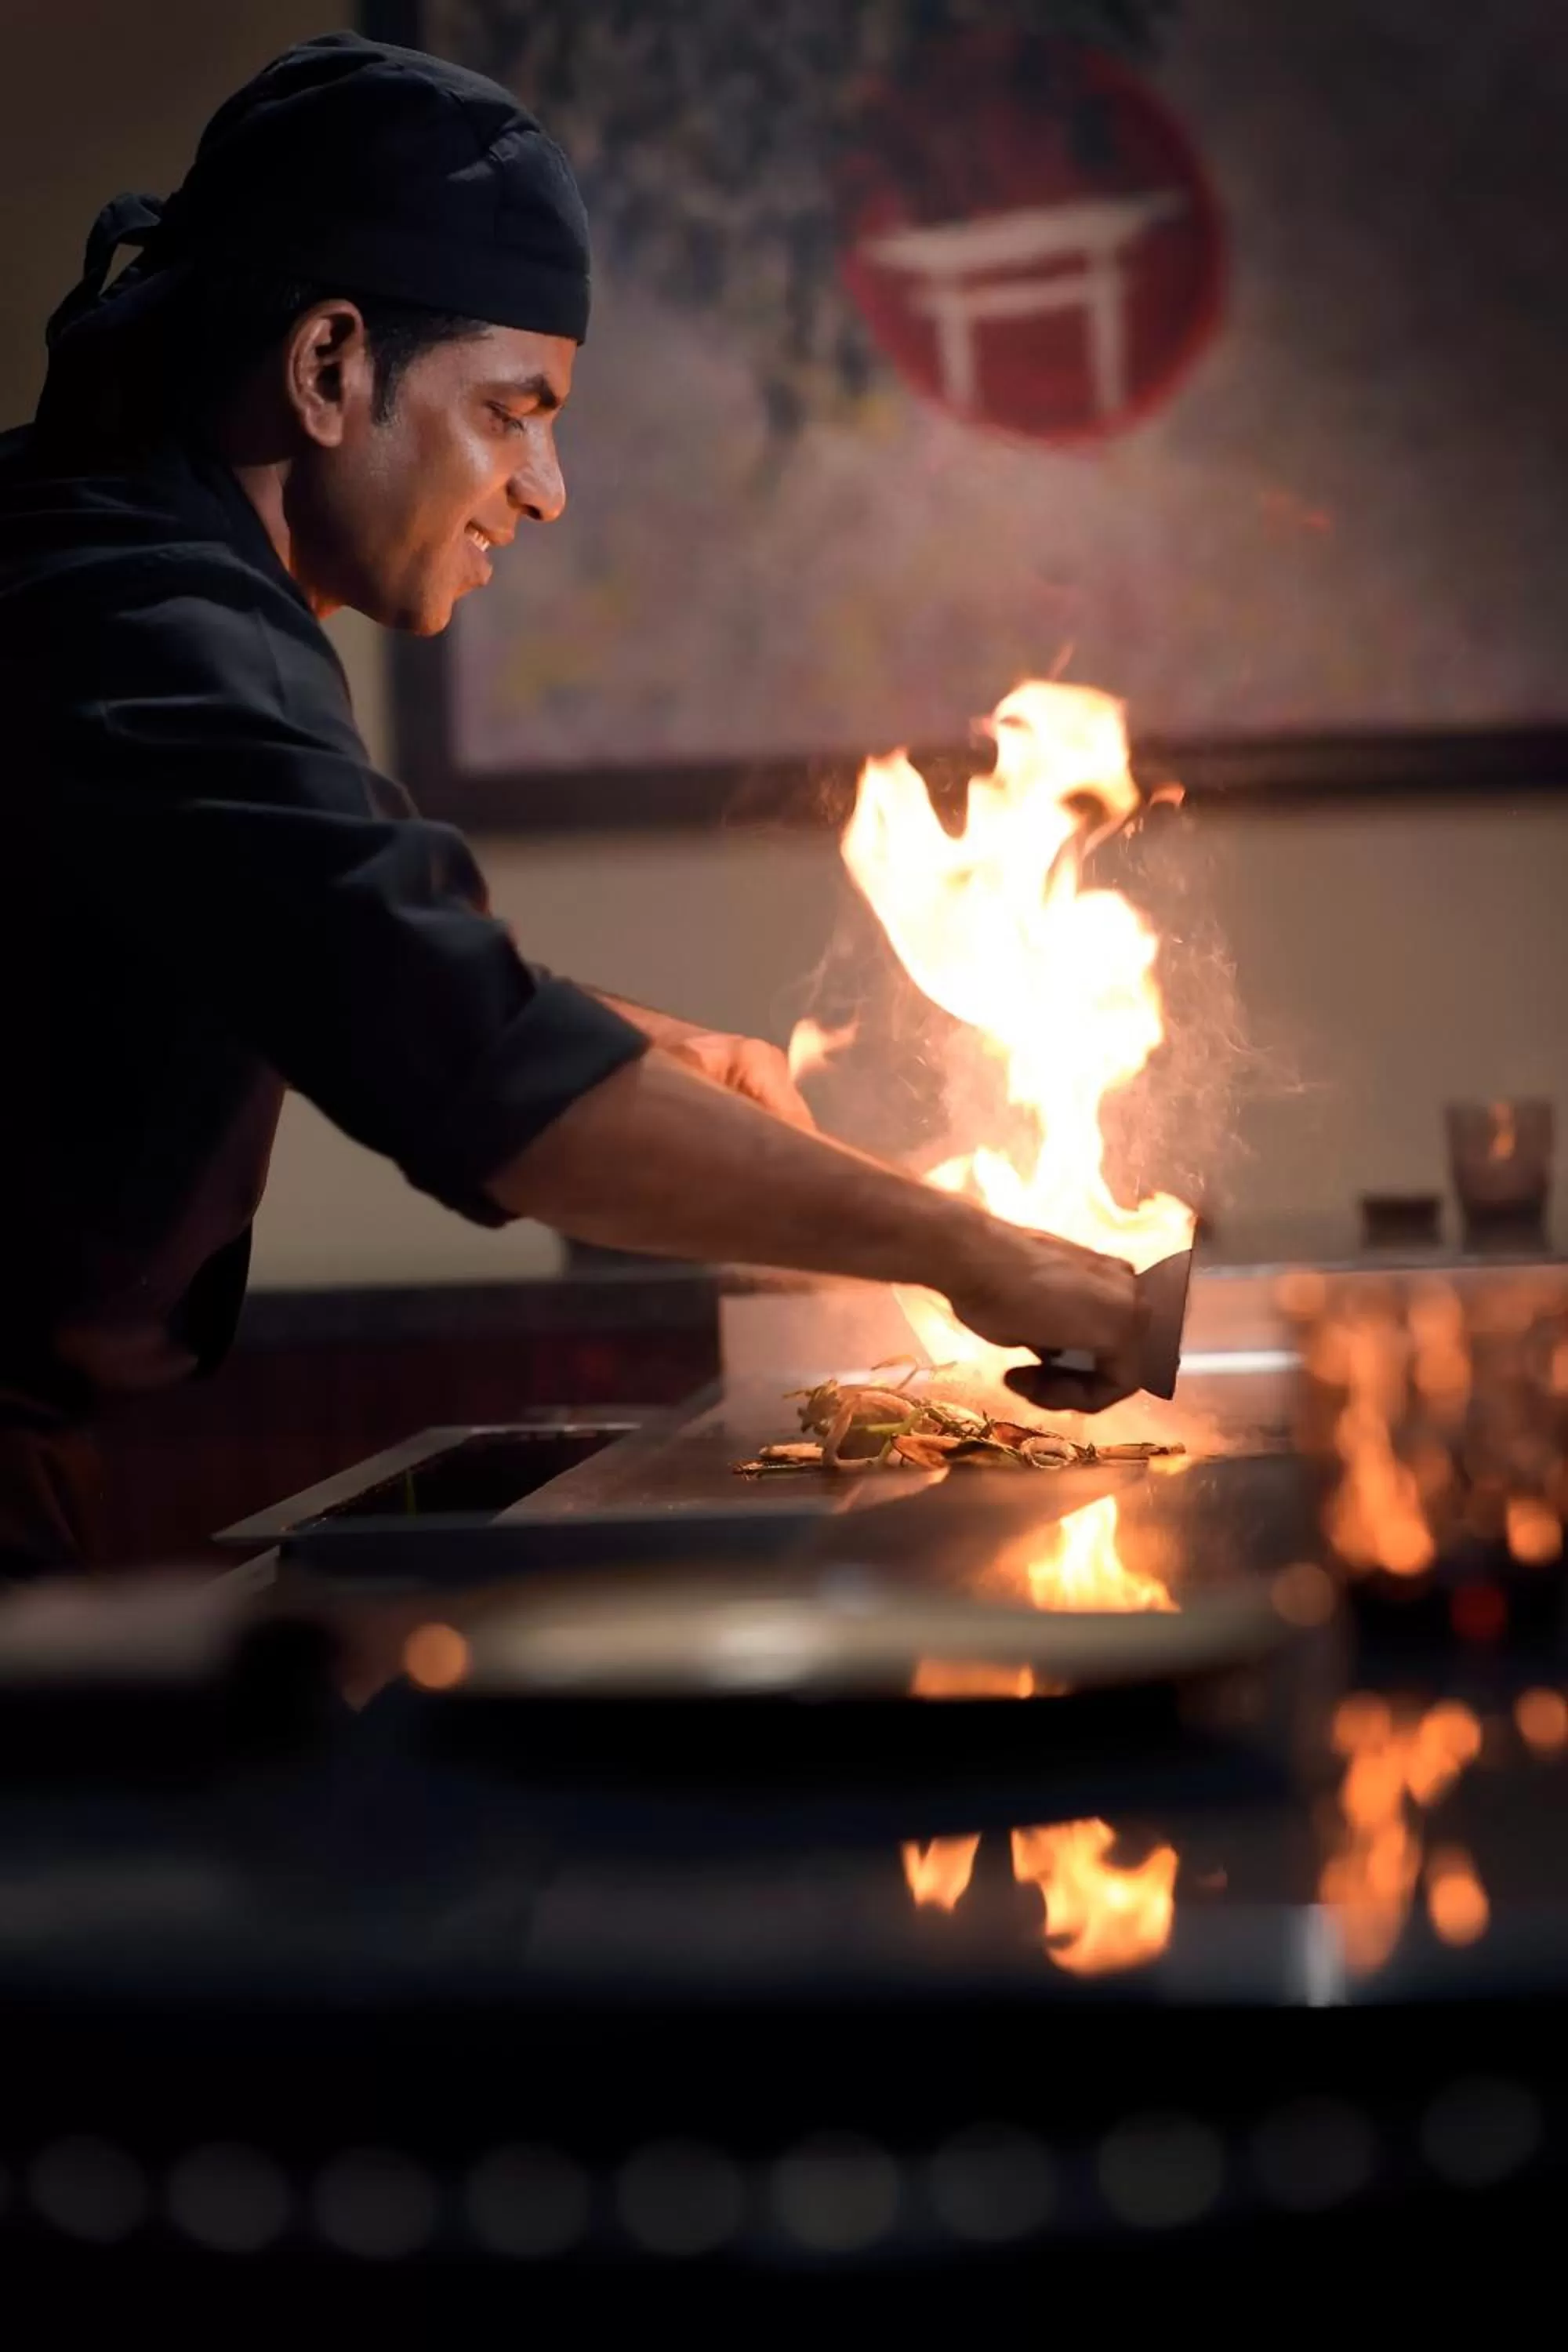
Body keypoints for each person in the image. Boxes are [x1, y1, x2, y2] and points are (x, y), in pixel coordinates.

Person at [0, 31, 1139, 1571]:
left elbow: (296, 952)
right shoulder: (150, 616)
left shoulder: (95, 551)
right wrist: (993, 1259)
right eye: (512, 410)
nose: (545, 488)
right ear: (329, 365)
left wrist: (615, 1045)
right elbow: (464, 1072)